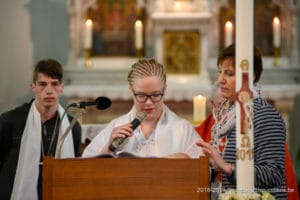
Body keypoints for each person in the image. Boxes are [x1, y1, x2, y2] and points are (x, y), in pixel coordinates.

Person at [196, 44, 288, 199]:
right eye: (220, 72)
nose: (220, 80)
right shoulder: (227, 115)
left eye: (229, 73)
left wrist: (228, 168)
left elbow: (274, 174)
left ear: (250, 75)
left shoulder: (264, 115)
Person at [82, 58, 203, 158]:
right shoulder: (116, 126)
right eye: (141, 95)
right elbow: (85, 167)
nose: (149, 103)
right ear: (131, 91)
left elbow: (203, 170)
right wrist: (107, 149)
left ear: (164, 89)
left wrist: (183, 159)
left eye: (156, 95)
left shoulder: (182, 129)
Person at [0, 59, 82, 200]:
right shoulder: (11, 120)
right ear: (33, 87)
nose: (49, 90)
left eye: (54, 84)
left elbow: (73, 168)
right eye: (43, 84)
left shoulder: (72, 126)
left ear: (62, 87)